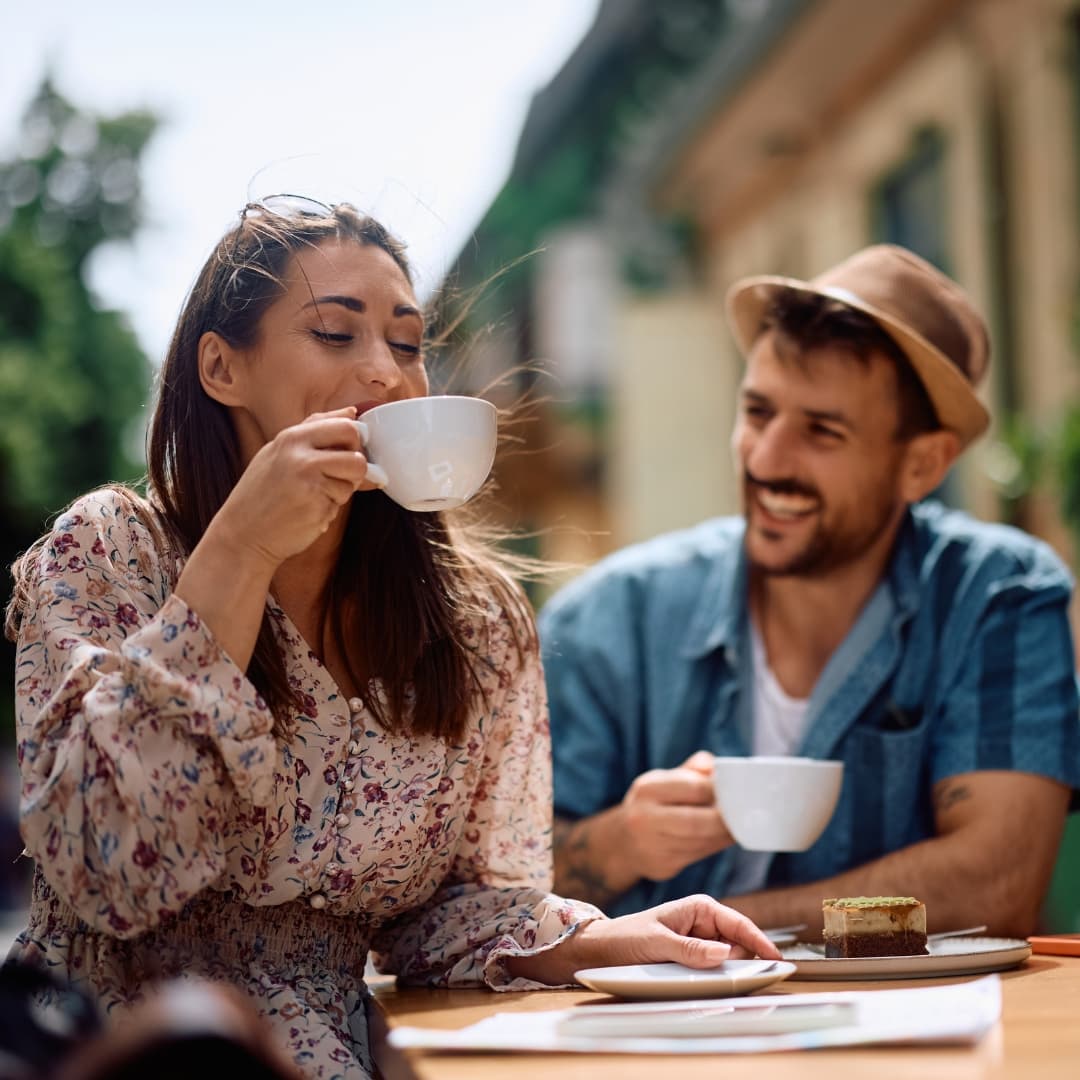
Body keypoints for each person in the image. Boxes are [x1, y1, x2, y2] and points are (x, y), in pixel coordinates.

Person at [3, 197, 778, 1080]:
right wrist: (242, 551)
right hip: (116, 1053)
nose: (384, 372)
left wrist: (592, 940)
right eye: (336, 334)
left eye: (407, 344)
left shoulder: (473, 623)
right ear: (222, 368)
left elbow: (455, 911)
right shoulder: (107, 552)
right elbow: (106, 871)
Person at [541, 244, 1080, 933]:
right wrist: (620, 844)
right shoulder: (605, 618)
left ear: (923, 464)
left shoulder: (996, 595)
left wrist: (717, 927)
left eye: (822, 431)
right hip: (649, 1035)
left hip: (917, 1030)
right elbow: (493, 891)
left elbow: (996, 885)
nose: (767, 460)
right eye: (759, 413)